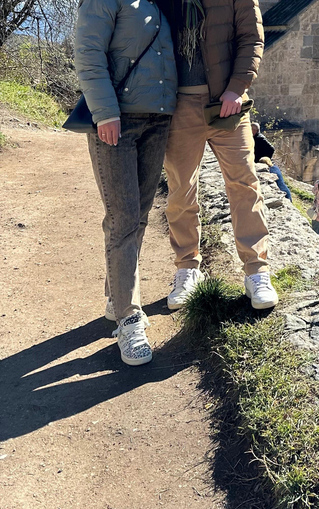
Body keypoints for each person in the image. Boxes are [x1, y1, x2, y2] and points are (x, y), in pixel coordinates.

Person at [74, 0, 177, 365]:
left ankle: (115, 295)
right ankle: (129, 318)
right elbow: (88, 51)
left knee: (142, 215)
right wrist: (104, 111)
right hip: (117, 121)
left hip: (158, 120)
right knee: (123, 219)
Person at [159, 0, 280, 311]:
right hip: (179, 105)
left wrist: (237, 89)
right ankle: (187, 268)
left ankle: (256, 271)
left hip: (229, 104)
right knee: (180, 189)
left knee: (245, 182)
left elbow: (252, 38)